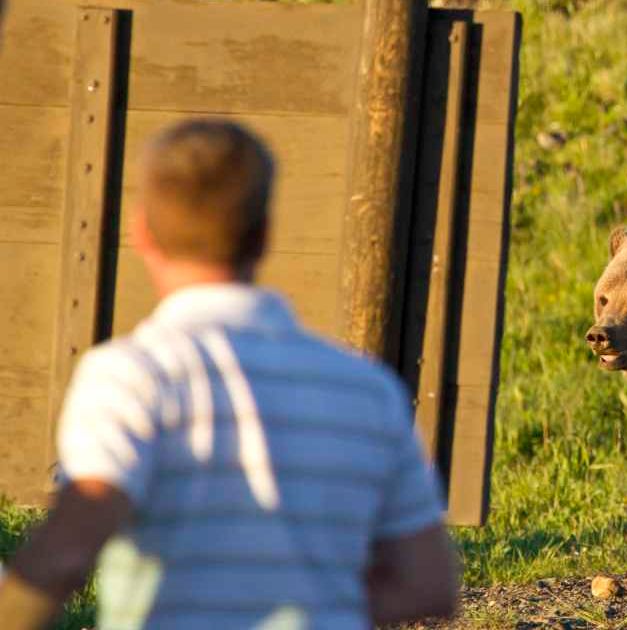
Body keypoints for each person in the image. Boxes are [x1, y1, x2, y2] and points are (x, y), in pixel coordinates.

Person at [0, 119, 459, 628]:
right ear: (264, 235)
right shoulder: (369, 391)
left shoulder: (130, 376)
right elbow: (429, 585)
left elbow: (68, 553)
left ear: (140, 231)